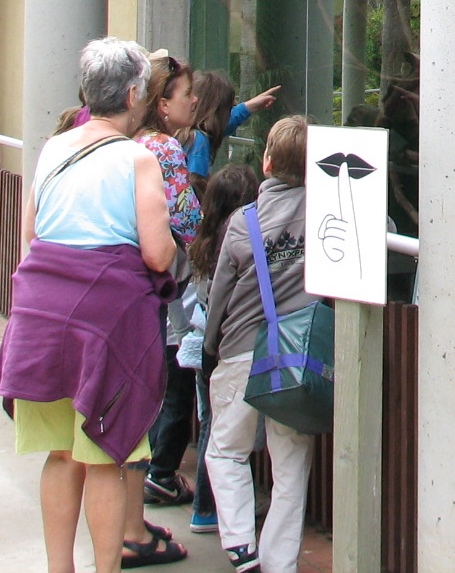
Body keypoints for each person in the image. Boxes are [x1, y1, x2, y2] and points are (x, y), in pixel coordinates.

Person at [0, 37, 187, 572]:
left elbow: (30, 234)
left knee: (59, 453)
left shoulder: (53, 149)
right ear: (130, 94)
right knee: (104, 455)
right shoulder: (138, 158)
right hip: (105, 323)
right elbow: (157, 253)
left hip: (41, 317)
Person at [204, 116, 317, 573]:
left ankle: (241, 547)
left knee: (225, 450)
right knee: (291, 469)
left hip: (241, 351)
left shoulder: (241, 223)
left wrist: (212, 346)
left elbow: (219, 297)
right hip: (296, 358)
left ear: (266, 161)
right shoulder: (327, 211)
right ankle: (279, 564)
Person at [136, 56, 205, 513]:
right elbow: (187, 222)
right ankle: (163, 473)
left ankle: (149, 469)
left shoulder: (131, 142)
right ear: (162, 104)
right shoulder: (165, 149)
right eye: (185, 93)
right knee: (179, 378)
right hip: (171, 284)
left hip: (136, 283)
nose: (194, 100)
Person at [181, 163, 264, 535]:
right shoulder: (242, 242)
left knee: (212, 425)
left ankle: (209, 505)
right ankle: (208, 506)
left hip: (203, 344)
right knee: (222, 433)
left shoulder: (201, 244)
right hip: (224, 346)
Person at [180, 72, 280, 182]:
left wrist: (248, 107)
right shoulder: (198, 142)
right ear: (216, 112)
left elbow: (221, 125)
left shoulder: (185, 130)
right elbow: (196, 182)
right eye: (228, 109)